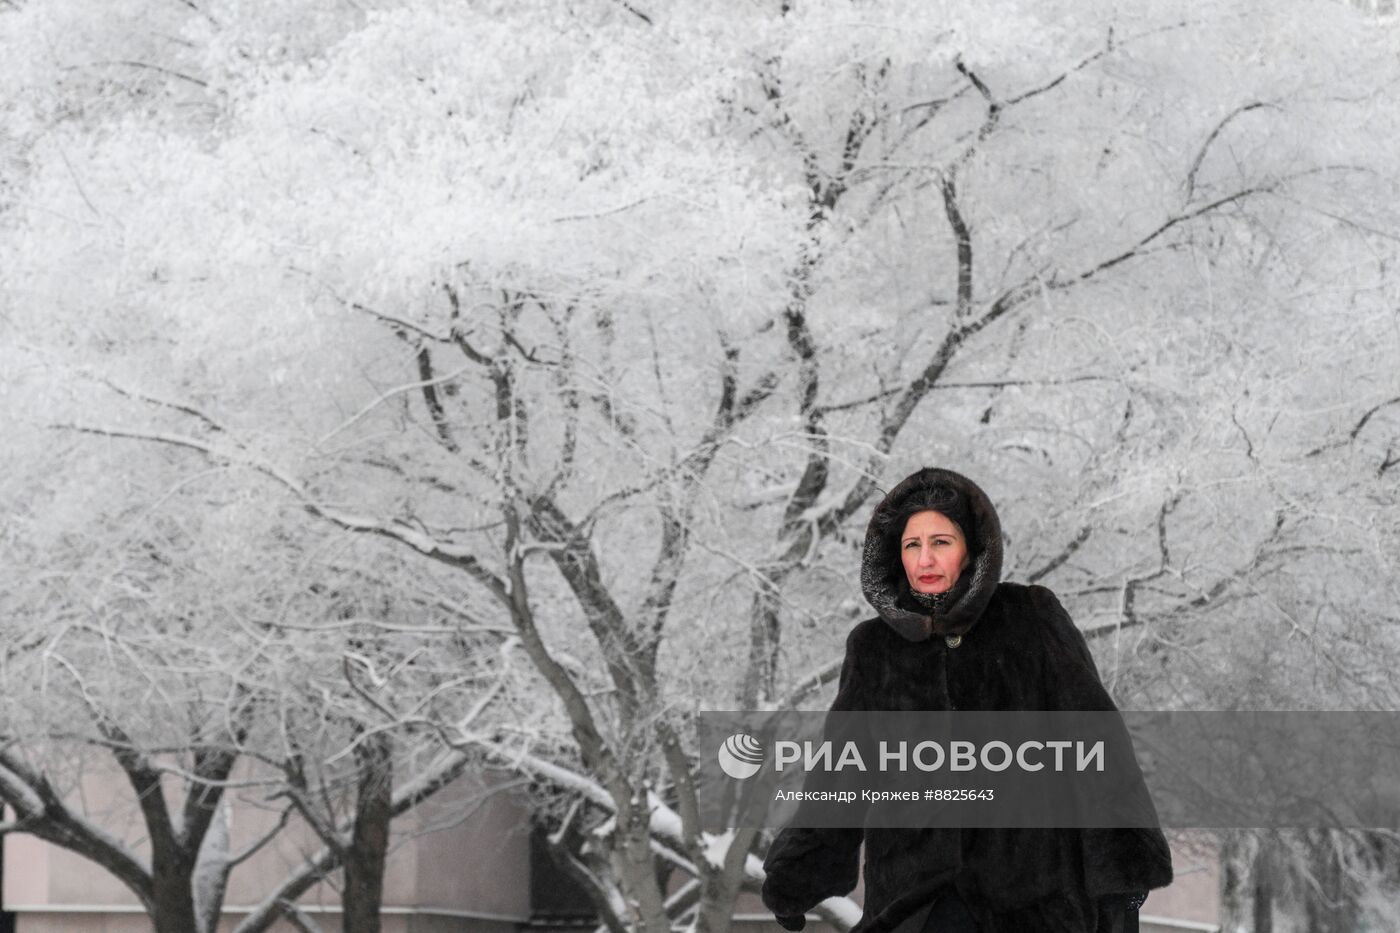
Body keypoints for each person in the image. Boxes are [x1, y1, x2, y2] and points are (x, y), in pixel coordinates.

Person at [760, 466, 1172, 933]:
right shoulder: (873, 648)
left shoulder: (1031, 618)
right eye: (912, 545)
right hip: (913, 903)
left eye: (942, 542)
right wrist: (797, 873)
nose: (925, 559)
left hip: (1031, 902)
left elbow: (1098, 750)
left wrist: (1121, 877)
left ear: (973, 549)